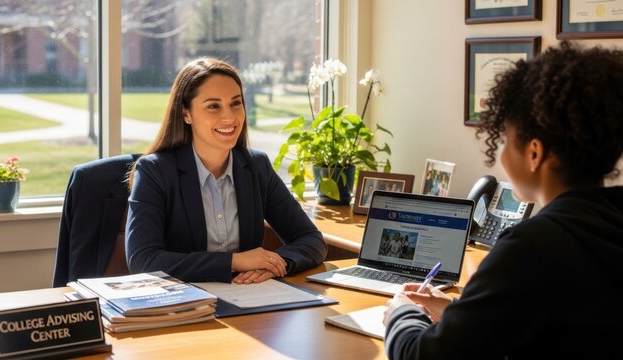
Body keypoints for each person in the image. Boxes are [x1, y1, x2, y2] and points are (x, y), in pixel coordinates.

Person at [383, 41, 623, 358]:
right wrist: (460, 313)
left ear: (535, 153)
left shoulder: (531, 247)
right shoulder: (608, 225)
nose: (502, 154)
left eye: (507, 140)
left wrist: (400, 314)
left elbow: (422, 355)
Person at [126, 58, 327, 285]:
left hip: (248, 300)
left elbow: (311, 239)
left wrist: (276, 264)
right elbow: (143, 261)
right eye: (213, 106)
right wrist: (234, 261)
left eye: (236, 103)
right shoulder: (155, 172)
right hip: (185, 306)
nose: (230, 117)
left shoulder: (256, 167)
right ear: (186, 114)